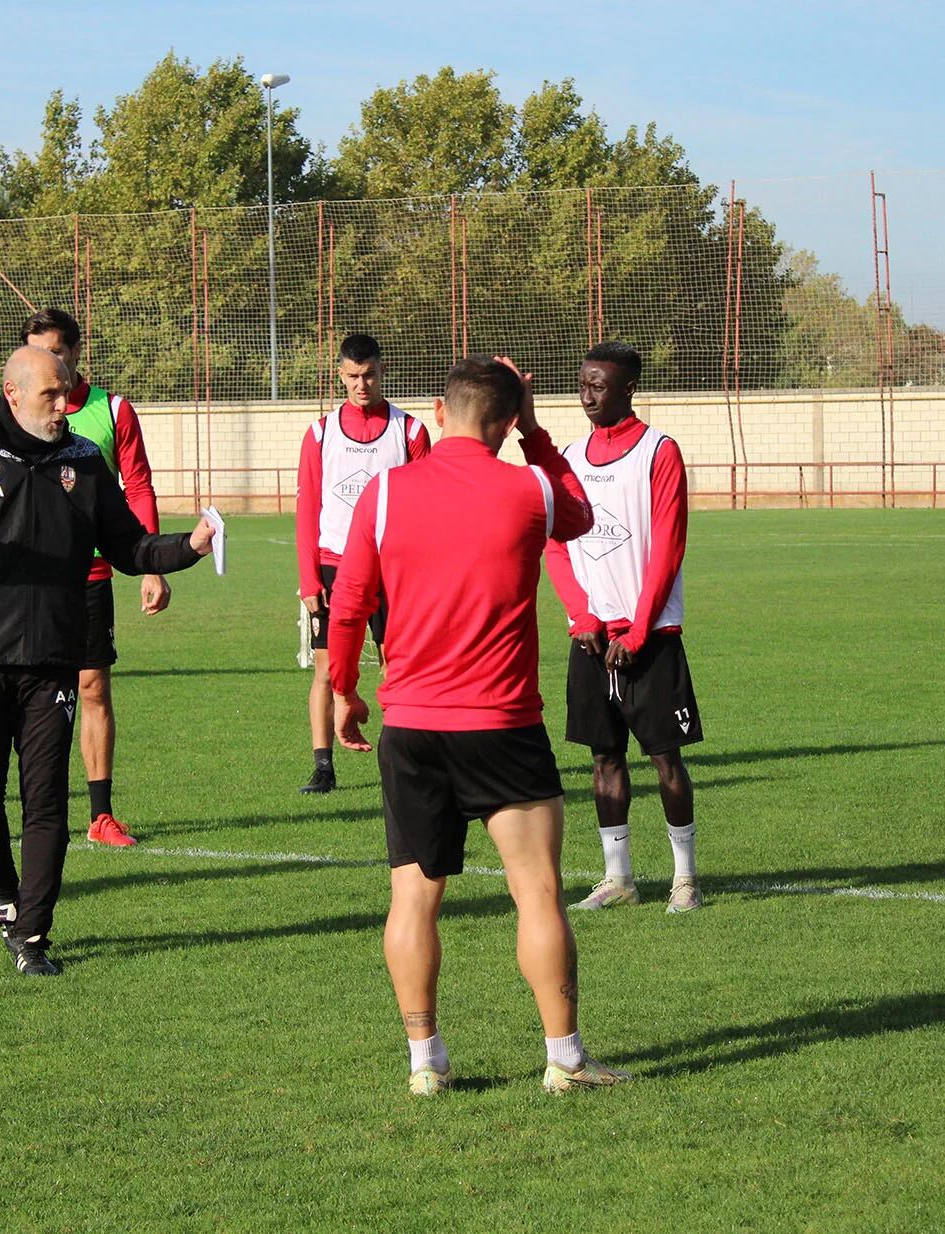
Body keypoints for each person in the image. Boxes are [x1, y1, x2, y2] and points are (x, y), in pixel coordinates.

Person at [330, 354, 627, 1097]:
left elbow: (350, 604)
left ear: (437, 409)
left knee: (413, 898)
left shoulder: (387, 491)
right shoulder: (529, 486)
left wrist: (345, 690)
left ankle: (425, 1062)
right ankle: (564, 1057)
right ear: (506, 422)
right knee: (537, 892)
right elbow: (581, 516)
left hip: (413, 726)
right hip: (502, 725)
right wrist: (537, 438)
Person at [0, 346, 214, 977]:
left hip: (54, 660)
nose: (65, 408)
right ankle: (5, 895)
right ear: (12, 393)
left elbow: (129, 546)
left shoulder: (84, 464)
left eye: (68, 394)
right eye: (51, 397)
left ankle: (33, 934)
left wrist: (190, 546)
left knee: (47, 804)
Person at [0, 308, 164, 849]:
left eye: (59, 353)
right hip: (8, 585)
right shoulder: (11, 410)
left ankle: (101, 814)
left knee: (93, 687)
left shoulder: (110, 410)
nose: (52, 367)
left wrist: (151, 564)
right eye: (40, 352)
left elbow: (136, 486)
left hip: (85, 575)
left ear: (76, 353)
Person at [542, 342, 704, 913]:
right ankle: (619, 878)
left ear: (628, 388)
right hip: (590, 639)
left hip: (649, 638)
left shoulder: (659, 452)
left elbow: (668, 545)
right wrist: (582, 615)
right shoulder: (569, 457)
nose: (587, 396)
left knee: (666, 759)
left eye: (599, 386)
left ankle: (685, 878)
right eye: (582, 384)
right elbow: (556, 546)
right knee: (603, 760)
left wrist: (638, 629)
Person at [294, 333, 430, 794]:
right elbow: (308, 508)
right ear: (340, 374)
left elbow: (424, 507)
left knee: (399, 665)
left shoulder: (409, 431)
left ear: (381, 370)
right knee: (327, 670)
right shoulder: (321, 432)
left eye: (369, 374)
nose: (361, 384)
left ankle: (401, 760)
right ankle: (323, 765)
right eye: (352, 376)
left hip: (393, 569)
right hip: (334, 568)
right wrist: (309, 579)